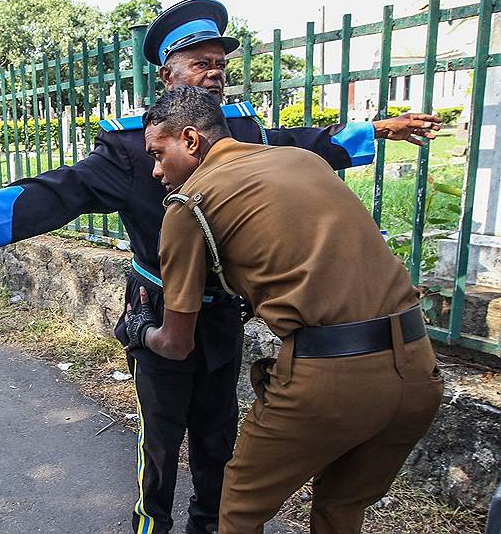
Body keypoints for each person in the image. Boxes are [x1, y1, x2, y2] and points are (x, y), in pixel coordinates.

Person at [0, 0, 441, 533]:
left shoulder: (239, 130)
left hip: (222, 311)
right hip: (159, 303)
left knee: (219, 434)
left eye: (220, 65)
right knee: (161, 437)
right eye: (200, 63)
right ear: (167, 75)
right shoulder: (130, 144)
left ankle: (209, 524)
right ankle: (152, 524)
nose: (214, 74)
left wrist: (376, 129)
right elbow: (63, 189)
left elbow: (302, 145)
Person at [130, 85, 443, 533]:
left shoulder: (188, 206)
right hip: (418, 370)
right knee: (340, 508)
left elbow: (177, 345)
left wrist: (141, 328)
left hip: (330, 379)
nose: (156, 171)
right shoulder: (303, 161)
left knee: (236, 508)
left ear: (191, 140)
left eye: (159, 154)